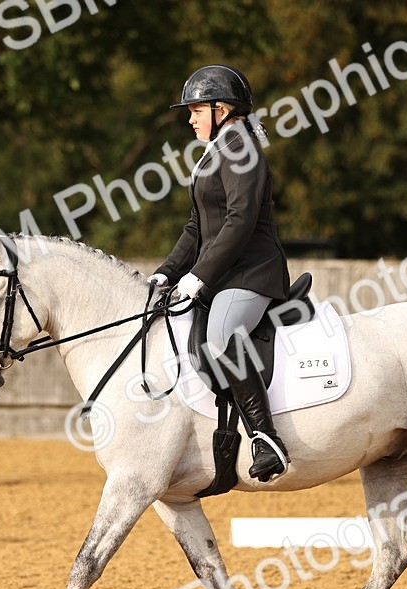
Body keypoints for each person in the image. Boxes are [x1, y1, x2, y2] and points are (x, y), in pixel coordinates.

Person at [149, 64, 291, 482]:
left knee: (220, 338)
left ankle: (266, 439)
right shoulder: (216, 151)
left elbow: (240, 219)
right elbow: (197, 228)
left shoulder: (241, 147)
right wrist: (167, 272)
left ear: (222, 108)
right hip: (225, 273)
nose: (190, 118)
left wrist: (199, 277)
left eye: (195, 109)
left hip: (251, 273)